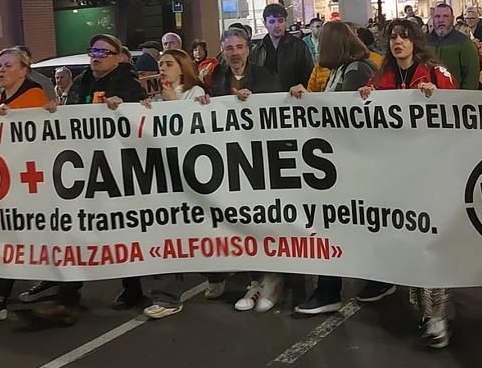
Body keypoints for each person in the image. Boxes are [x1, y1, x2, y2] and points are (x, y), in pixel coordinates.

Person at [29, 35, 147, 322]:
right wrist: (54, 111)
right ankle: (67, 296)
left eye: (103, 52)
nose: (96, 56)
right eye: (93, 50)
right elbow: (70, 117)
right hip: (82, 167)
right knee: (72, 228)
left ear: (119, 57)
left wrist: (125, 107)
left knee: (119, 232)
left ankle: (133, 288)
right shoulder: (81, 82)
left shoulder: (127, 83)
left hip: (116, 169)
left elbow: (141, 118)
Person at [358, 18, 457, 347]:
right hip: (398, 176)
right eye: (392, 38)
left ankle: (437, 315)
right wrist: (365, 97)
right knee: (414, 242)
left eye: (404, 37)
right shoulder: (381, 76)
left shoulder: (435, 73)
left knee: (432, 243)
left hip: (433, 173)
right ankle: (426, 310)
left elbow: (458, 111)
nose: (397, 42)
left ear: (416, 41)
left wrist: (437, 98)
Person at [288, 22, 395, 314]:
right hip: (346, 162)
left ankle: (331, 291)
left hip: (350, 164)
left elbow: (341, 116)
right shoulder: (344, 69)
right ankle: (367, 281)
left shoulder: (356, 71)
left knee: (333, 226)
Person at [0, 49, 58, 321]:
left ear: (24, 70)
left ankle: (1, 295)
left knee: (16, 235)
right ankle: (58, 282)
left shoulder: (34, 97)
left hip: (31, 180)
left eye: (8, 65)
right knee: (14, 236)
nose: (1, 70)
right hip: (10, 180)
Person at [204, 27, 285, 312]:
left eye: (239, 47)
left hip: (261, 160)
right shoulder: (215, 80)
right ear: (222, 52)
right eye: (229, 48)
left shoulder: (265, 76)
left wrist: (255, 100)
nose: (235, 53)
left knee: (264, 218)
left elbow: (277, 109)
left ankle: (273, 277)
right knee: (243, 223)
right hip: (231, 161)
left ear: (248, 49)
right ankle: (255, 281)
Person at [137, 48, 207, 320]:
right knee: (168, 233)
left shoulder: (196, 93)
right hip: (163, 176)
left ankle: (216, 273)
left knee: (199, 231)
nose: (162, 68)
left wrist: (172, 104)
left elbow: (192, 131)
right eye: (160, 64)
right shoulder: (155, 96)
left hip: (190, 176)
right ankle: (166, 296)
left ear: (182, 68)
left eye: (168, 64)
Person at [251, 3, 314, 91]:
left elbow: (308, 75)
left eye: (280, 21)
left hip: (294, 98)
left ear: (285, 22)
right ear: (265, 23)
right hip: (266, 100)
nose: (277, 25)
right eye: (272, 21)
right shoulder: (257, 49)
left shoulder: (299, 46)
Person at [426, 3, 480, 90]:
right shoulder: (423, 42)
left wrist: (464, 99)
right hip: (425, 98)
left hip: (454, 98)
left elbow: (471, 76)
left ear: (452, 18)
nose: (441, 20)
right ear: (433, 19)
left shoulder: (464, 43)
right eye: (437, 16)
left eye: (445, 16)